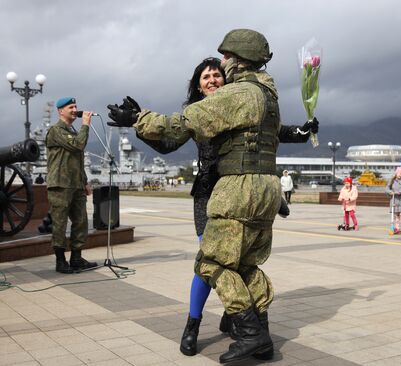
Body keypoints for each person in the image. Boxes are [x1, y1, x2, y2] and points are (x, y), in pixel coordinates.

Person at [107, 29, 319, 363]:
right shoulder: (268, 95)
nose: (221, 65)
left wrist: (137, 118)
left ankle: (248, 334)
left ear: (239, 59)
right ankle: (260, 333)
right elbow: (272, 133)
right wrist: (301, 131)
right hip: (266, 186)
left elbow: (180, 126)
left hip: (238, 188)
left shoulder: (236, 94)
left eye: (225, 58)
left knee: (211, 262)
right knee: (246, 263)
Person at [46, 97, 97, 274]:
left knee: (81, 222)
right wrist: (85, 124)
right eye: (71, 107)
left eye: (76, 106)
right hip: (60, 184)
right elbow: (77, 145)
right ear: (60, 111)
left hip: (76, 185)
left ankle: (76, 258)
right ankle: (61, 262)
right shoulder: (56, 130)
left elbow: (78, 161)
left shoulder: (72, 131)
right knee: (59, 224)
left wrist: (85, 182)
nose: (75, 109)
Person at [385, 167, 401, 234]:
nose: (400, 175)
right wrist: (390, 192)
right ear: (396, 173)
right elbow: (386, 189)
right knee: (396, 215)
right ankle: (397, 228)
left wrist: (399, 192)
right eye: (399, 174)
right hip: (394, 200)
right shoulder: (392, 180)